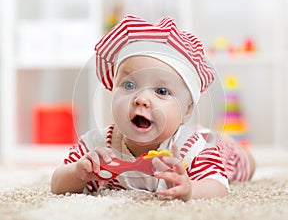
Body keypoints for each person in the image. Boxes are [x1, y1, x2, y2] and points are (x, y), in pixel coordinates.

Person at [51, 15, 255, 201]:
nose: (141, 99)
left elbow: (218, 185)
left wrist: (191, 189)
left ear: (186, 110)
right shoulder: (98, 145)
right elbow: (57, 183)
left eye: (162, 91)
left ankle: (236, 148)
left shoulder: (191, 148)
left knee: (243, 161)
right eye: (129, 85)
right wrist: (77, 172)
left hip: (213, 143)